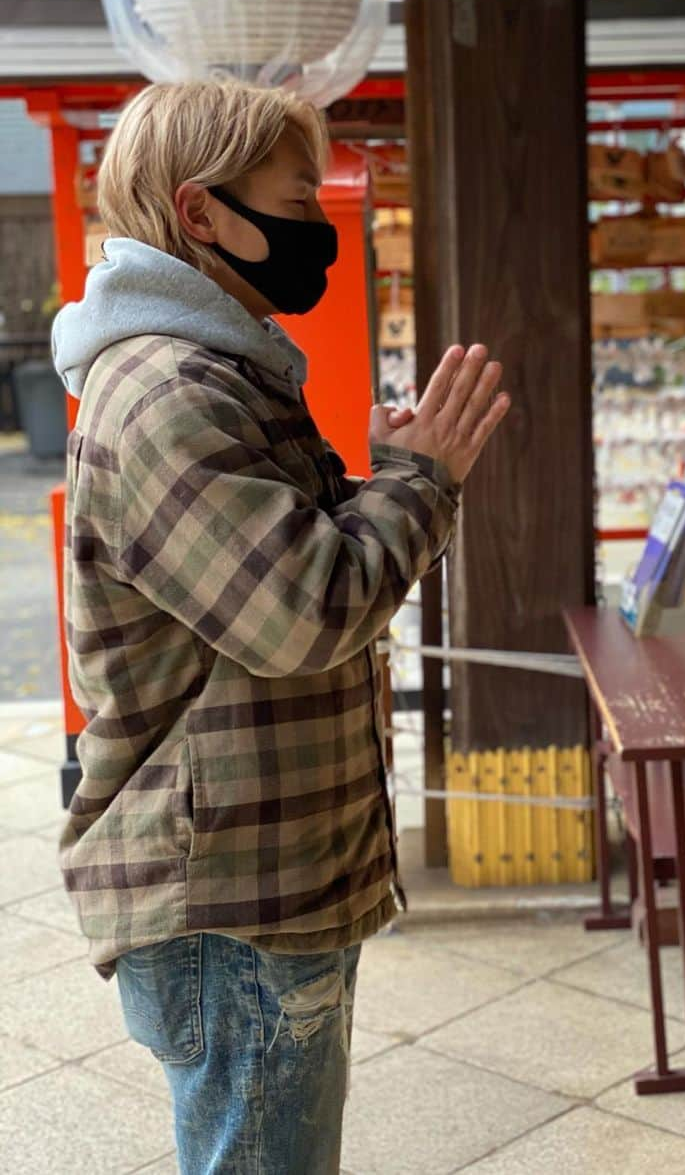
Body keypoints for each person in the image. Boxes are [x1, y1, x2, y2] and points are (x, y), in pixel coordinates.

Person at [49, 79, 509, 1174]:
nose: (320, 218)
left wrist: (378, 484)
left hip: (262, 878)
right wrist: (420, 483)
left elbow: (270, 563)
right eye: (299, 192)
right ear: (201, 210)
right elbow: (306, 610)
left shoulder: (221, 369)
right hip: (229, 899)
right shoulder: (171, 389)